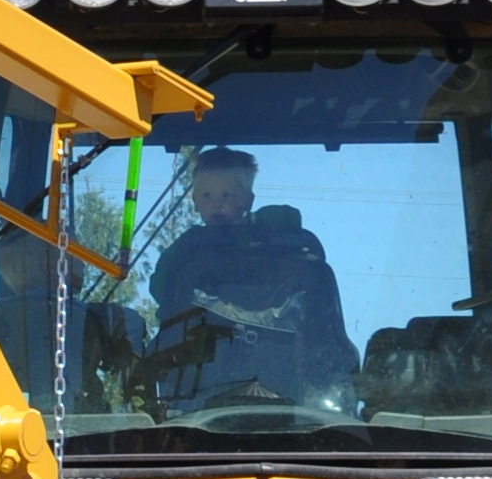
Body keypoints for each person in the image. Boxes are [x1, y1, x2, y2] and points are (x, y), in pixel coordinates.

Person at [147, 146, 355, 401]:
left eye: (227, 196)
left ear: (248, 200)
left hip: (283, 381)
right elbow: (163, 290)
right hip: (202, 381)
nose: (217, 205)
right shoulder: (187, 249)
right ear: (194, 201)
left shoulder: (282, 244)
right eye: (207, 196)